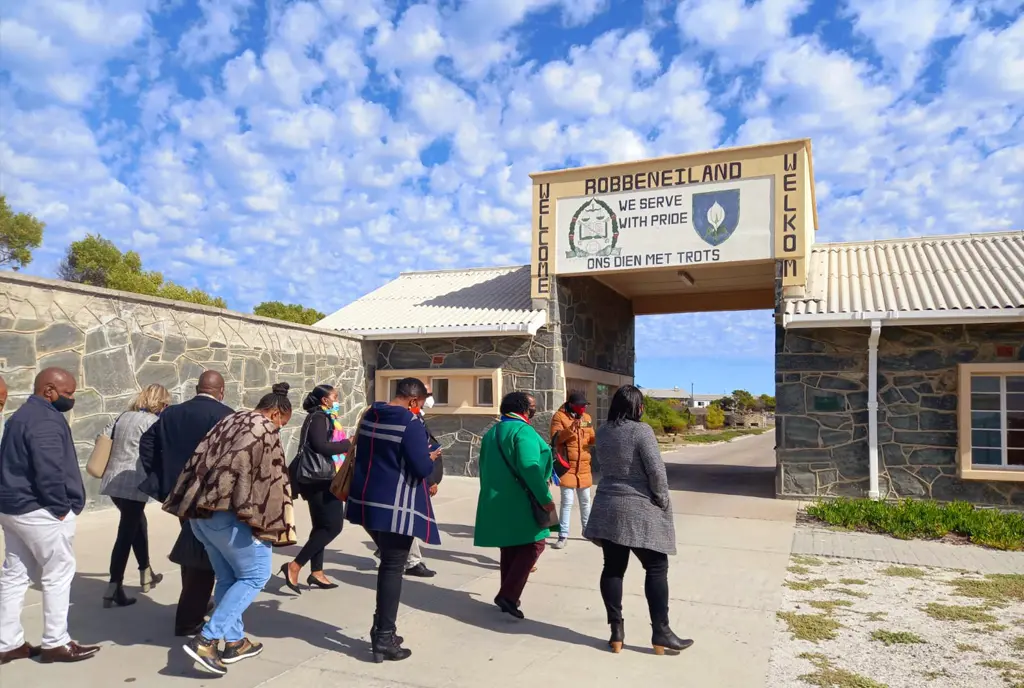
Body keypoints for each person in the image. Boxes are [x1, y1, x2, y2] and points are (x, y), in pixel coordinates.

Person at [164, 382, 297, 676]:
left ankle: (235, 641)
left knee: (227, 576)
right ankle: (208, 639)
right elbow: (267, 481)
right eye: (283, 424)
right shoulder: (263, 428)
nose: (281, 429)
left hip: (201, 513)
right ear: (276, 413)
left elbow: (200, 459)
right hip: (229, 515)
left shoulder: (231, 419)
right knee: (255, 575)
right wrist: (266, 524)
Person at [0, 367, 100, 664]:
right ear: (48, 390)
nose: (72, 398)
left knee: (15, 575)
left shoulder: (18, 416)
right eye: (68, 393)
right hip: (39, 511)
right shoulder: (45, 419)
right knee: (58, 574)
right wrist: (61, 508)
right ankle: (56, 642)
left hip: (13, 508)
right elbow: (49, 471)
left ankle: (8, 643)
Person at [583, 385, 693, 655]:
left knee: (613, 568)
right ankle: (661, 632)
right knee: (656, 568)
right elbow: (656, 470)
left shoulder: (604, 430)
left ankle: (616, 631)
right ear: (637, 407)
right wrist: (662, 499)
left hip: (607, 504)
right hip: (639, 507)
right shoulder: (641, 430)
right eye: (641, 404)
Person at [346, 377, 440, 663]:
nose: (420, 409)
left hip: (367, 502)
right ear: (413, 401)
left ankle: (383, 631)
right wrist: (431, 456)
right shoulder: (410, 424)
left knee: (388, 563)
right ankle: (384, 636)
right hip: (397, 507)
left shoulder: (371, 414)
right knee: (391, 569)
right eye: (420, 404)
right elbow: (421, 466)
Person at [139, 370, 232, 636]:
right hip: (206, 497)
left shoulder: (171, 413)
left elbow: (146, 443)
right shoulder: (225, 415)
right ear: (221, 390)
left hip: (178, 494)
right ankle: (190, 615)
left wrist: (161, 476)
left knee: (191, 546)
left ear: (197, 387)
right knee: (203, 554)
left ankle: (193, 601)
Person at [474, 391, 554, 620]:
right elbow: (530, 466)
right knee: (535, 545)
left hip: (498, 499)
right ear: (522, 408)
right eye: (532, 406)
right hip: (524, 498)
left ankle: (508, 595)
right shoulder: (523, 430)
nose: (534, 409)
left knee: (509, 547)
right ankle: (508, 595)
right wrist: (545, 499)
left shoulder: (492, 432)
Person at [99, 383, 172, 608]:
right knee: (125, 534)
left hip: (113, 480)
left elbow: (101, 437)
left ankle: (145, 571)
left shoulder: (123, 417)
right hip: (134, 482)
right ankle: (114, 586)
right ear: (160, 403)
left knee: (136, 523)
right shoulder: (154, 422)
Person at [281, 384, 351, 592]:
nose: (338, 400)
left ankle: (317, 572)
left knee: (321, 526)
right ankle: (295, 565)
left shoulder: (324, 417)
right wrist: (349, 443)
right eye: (335, 397)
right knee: (333, 526)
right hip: (319, 479)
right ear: (325, 401)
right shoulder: (319, 418)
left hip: (319, 478)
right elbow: (321, 446)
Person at [371, 388, 442, 578]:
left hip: (383, 485)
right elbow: (417, 459)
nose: (428, 399)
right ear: (413, 399)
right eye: (425, 396)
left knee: (395, 532)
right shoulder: (409, 421)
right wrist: (430, 470)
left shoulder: (380, 416)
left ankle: (397, 555)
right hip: (402, 486)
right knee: (404, 528)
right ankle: (410, 561)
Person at [549, 390, 596, 549]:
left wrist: (601, 437)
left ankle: (587, 530)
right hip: (567, 467)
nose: (583, 409)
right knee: (567, 502)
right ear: (571, 405)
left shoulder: (587, 418)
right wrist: (571, 429)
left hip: (583, 467)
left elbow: (591, 438)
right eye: (580, 406)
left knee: (585, 501)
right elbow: (555, 439)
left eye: (584, 406)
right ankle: (563, 535)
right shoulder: (559, 417)